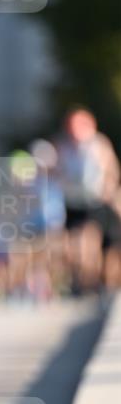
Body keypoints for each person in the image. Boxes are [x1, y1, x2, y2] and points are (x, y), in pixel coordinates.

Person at [53, 106, 121, 294]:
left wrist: (108, 189)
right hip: (73, 201)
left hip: (94, 200)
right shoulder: (63, 146)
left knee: (90, 241)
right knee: (72, 245)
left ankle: (92, 280)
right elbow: (56, 171)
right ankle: (79, 279)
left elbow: (111, 169)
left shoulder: (98, 144)